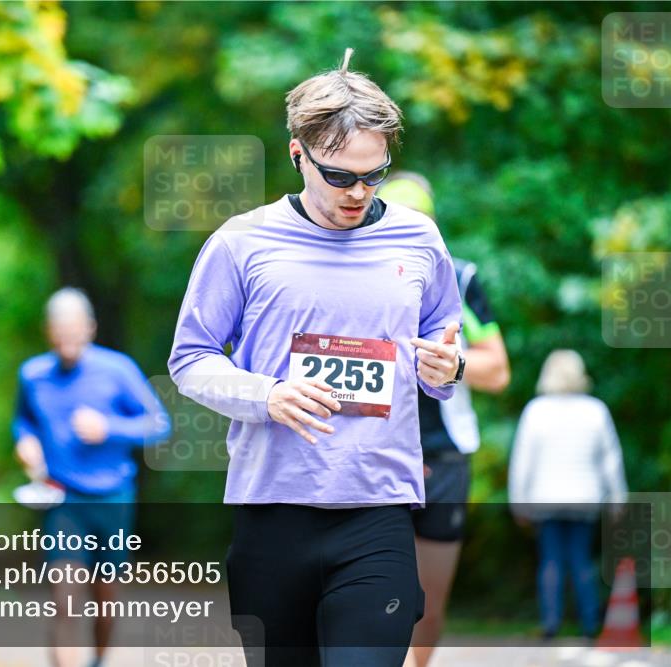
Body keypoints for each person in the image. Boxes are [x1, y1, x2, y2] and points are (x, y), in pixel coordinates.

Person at [168, 49, 465, 667]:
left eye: (374, 175)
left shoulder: (418, 237)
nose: (358, 192)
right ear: (298, 154)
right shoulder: (241, 242)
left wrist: (447, 369)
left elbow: (442, 340)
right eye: (339, 176)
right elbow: (191, 358)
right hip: (272, 508)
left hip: (379, 508)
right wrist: (266, 395)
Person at [378, 173, 511, 667]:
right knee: (369, 590)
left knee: (429, 600)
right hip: (369, 451)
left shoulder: (458, 277)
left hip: (443, 453)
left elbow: (498, 371)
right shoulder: (347, 275)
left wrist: (450, 364)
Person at [12, 287, 170, 667]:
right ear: (48, 331)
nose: (67, 338)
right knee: (64, 601)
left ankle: (98, 660)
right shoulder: (32, 374)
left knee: (105, 601)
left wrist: (109, 427)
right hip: (63, 498)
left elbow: (159, 424)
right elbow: (23, 420)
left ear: (90, 328)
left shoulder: (117, 370)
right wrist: (25, 441)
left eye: (74, 329)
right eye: (59, 330)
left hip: (113, 497)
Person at [508, 349, 627, 640]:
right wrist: (618, 499)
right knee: (581, 558)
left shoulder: (536, 410)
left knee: (551, 560)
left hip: (545, 497)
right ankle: (589, 625)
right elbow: (611, 460)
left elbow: (522, 460)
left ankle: (551, 623)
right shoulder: (596, 410)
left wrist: (518, 501)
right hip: (585, 498)